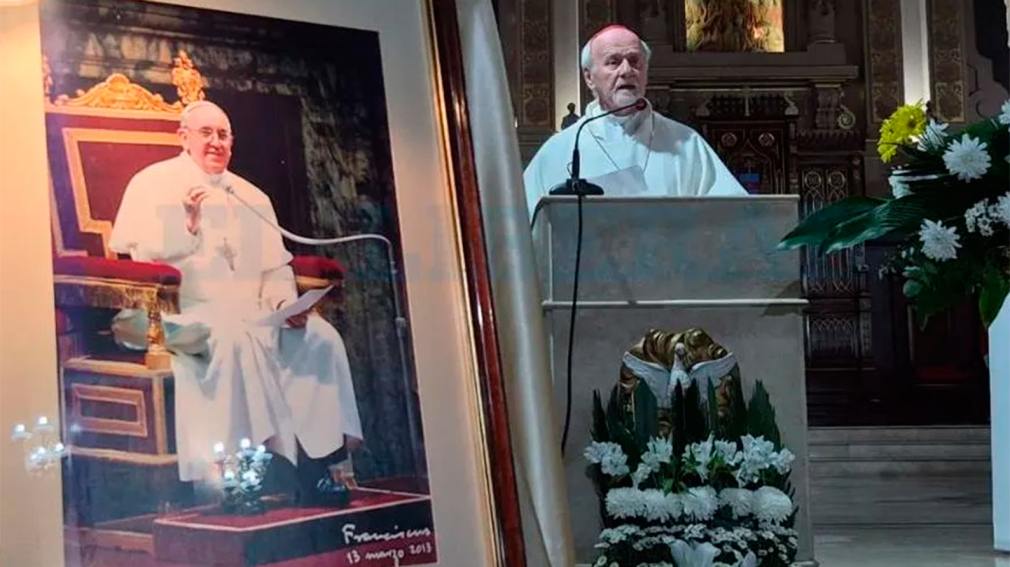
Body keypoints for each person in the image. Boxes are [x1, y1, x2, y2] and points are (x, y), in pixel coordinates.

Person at [108, 101, 362, 498]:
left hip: (253, 313)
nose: (215, 142)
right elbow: (143, 259)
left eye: (223, 135)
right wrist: (188, 225)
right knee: (231, 338)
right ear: (183, 137)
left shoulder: (249, 195)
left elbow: (275, 267)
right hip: (177, 314)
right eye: (205, 133)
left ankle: (322, 464)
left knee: (320, 338)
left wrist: (282, 305)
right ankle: (235, 477)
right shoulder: (152, 183)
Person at [523, 25, 748, 219]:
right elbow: (524, 225)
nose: (626, 71)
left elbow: (735, 215)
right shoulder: (559, 150)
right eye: (613, 62)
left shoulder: (686, 144)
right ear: (589, 77)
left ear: (646, 71)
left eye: (634, 61)